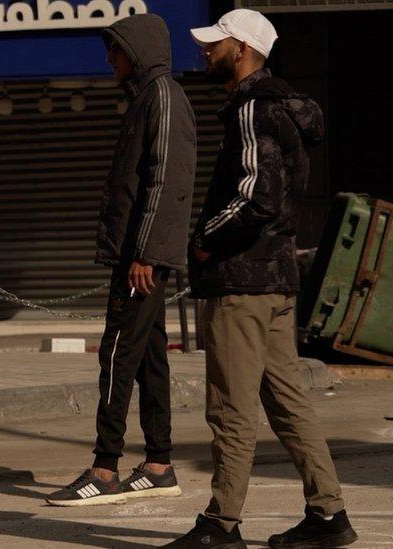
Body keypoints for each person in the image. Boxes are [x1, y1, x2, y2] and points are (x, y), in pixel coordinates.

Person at [164, 10, 357, 549]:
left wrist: (204, 240)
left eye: (215, 43)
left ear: (243, 49)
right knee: (288, 402)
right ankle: (329, 515)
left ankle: (221, 524)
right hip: (275, 278)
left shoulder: (252, 108)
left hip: (243, 282)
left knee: (230, 406)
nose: (205, 50)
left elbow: (256, 195)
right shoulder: (282, 110)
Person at [46, 13, 196, 507]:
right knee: (150, 356)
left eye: (116, 50)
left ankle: (104, 467)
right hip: (137, 255)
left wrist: (146, 253)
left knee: (115, 353)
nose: (109, 58)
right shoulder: (147, 99)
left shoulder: (164, 97)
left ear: (138, 51)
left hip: (142, 258)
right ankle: (158, 463)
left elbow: (165, 181)